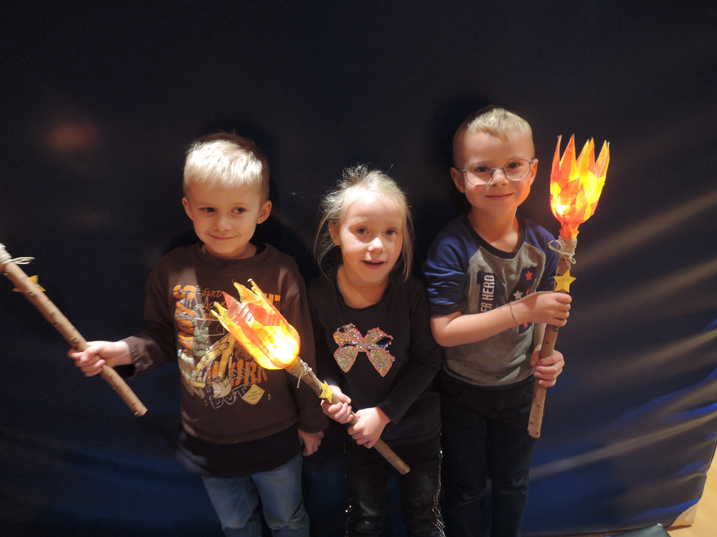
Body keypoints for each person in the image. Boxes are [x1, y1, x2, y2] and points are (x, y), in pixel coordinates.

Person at [69, 133, 327, 537]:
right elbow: (162, 337)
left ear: (262, 211)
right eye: (209, 209)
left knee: (288, 520)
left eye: (238, 210)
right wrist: (120, 352)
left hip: (274, 436)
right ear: (188, 207)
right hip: (208, 439)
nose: (222, 223)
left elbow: (304, 356)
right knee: (235, 523)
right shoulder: (172, 270)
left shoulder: (281, 271)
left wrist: (312, 421)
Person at [423, 106, 572, 537]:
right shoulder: (451, 247)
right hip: (462, 391)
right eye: (482, 169)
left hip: (520, 389)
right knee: (464, 487)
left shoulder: (545, 245)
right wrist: (523, 310)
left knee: (512, 483)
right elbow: (444, 331)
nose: (499, 180)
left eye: (513, 166)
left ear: (533, 171)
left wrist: (548, 353)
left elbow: (545, 321)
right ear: (459, 180)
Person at [308, 165, 444, 537]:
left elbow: (428, 361)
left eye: (390, 232)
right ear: (335, 232)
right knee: (365, 520)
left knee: (424, 518)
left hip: (417, 430)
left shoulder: (410, 293)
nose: (378, 246)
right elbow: (322, 357)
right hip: (359, 433)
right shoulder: (318, 295)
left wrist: (384, 414)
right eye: (362, 231)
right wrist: (331, 390)